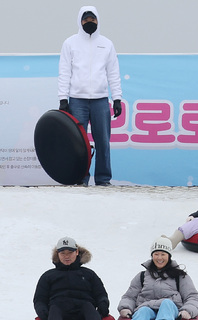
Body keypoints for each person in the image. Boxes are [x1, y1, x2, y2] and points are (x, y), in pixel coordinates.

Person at [58, 5, 123, 186]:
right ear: (80, 21)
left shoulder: (107, 44)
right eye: (86, 19)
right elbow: (65, 72)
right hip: (77, 100)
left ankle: (103, 179)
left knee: (103, 141)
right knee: (78, 143)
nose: (89, 22)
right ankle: (80, 178)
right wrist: (63, 99)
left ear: (98, 20)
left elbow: (113, 73)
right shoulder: (70, 43)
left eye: (92, 19)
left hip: (100, 100)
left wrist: (117, 98)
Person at [117, 237, 198, 320]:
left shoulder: (179, 276)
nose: (159, 258)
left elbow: (192, 296)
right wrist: (125, 308)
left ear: (169, 256)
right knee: (143, 311)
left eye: (163, 254)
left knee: (167, 303)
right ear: (152, 256)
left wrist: (187, 311)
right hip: (147, 306)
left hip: (171, 309)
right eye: (156, 254)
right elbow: (130, 296)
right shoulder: (142, 276)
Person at [32, 236, 111, 320]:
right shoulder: (48, 276)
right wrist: (43, 312)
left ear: (77, 252)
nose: (66, 256)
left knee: (88, 306)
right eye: (63, 253)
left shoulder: (88, 274)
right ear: (57, 254)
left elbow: (100, 293)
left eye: (70, 252)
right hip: (60, 310)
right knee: (54, 308)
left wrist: (103, 306)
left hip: (83, 310)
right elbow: (40, 298)